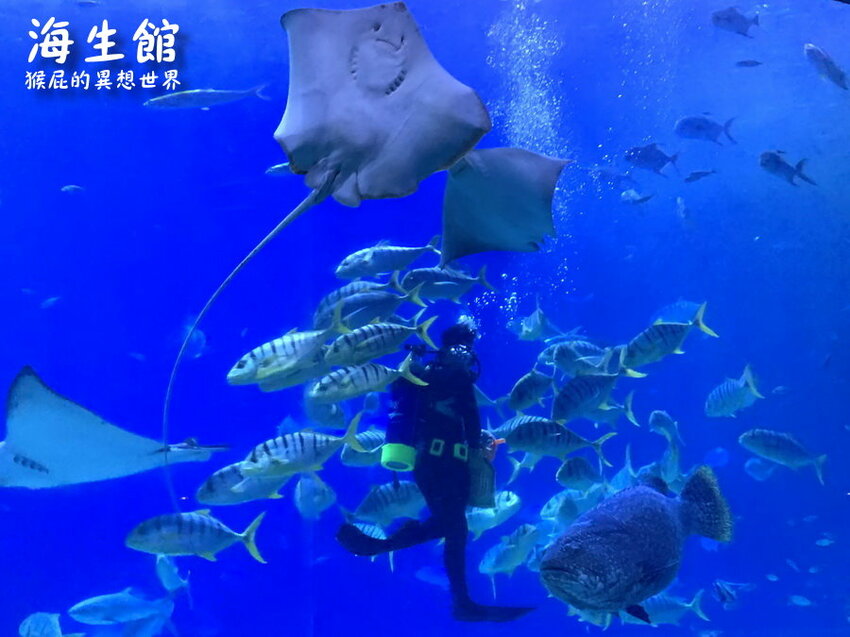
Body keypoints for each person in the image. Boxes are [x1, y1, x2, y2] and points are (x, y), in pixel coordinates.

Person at [336, 322, 534, 623]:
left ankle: (459, 598)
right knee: (453, 528)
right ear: (462, 346)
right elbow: (471, 425)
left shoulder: (423, 374)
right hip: (449, 465)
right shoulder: (460, 377)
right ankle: (456, 598)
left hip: (426, 464)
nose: (469, 353)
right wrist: (479, 450)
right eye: (468, 346)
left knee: (452, 527)